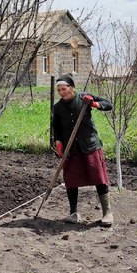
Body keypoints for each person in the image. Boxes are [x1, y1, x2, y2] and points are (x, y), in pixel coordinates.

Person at [51, 73, 114, 227]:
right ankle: (73, 213)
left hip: (89, 145)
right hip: (71, 149)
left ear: (72, 87)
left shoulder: (83, 98)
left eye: (64, 89)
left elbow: (108, 104)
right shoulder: (58, 107)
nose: (61, 92)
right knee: (71, 181)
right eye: (59, 90)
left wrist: (94, 104)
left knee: (99, 178)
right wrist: (59, 145)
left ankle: (107, 213)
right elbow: (57, 129)